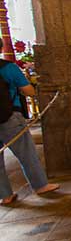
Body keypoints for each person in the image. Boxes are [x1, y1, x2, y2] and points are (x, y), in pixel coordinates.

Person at [0, 49, 59, 205]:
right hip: (10, 117)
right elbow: (28, 91)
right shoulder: (8, 68)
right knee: (26, 153)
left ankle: (5, 195)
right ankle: (40, 185)